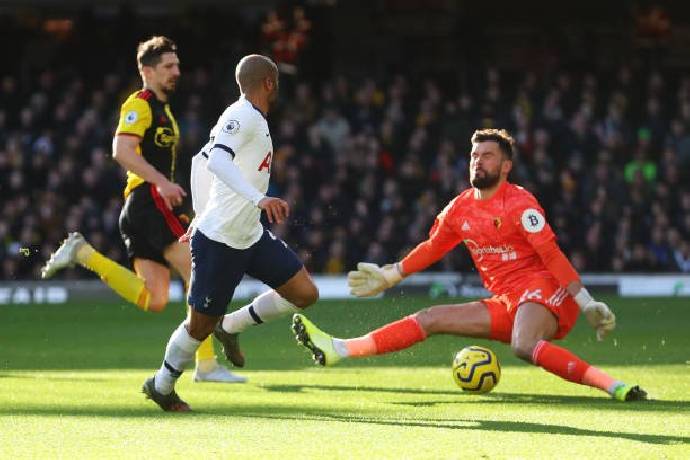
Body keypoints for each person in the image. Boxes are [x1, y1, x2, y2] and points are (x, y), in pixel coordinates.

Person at [293, 128, 647, 402]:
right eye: (475, 155)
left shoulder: (521, 205)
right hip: (508, 300)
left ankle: (613, 385)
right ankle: (338, 348)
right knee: (430, 318)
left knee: (523, 345)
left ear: (505, 166)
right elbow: (433, 247)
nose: (478, 161)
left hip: (544, 290)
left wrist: (586, 303)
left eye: (488, 156)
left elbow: (553, 256)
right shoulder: (459, 208)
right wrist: (391, 275)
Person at [40, 36, 244, 384]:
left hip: (141, 206)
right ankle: (206, 364)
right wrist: (161, 182)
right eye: (168, 66)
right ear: (146, 70)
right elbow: (121, 150)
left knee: (155, 299)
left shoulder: (162, 108)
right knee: (198, 268)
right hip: (149, 200)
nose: (176, 71)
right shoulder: (141, 103)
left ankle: (85, 253)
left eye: (177, 65)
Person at [142, 54, 320, 412]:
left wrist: (199, 210)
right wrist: (258, 198)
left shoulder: (251, 118)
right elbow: (215, 160)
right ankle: (161, 385)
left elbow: (201, 160)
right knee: (198, 327)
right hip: (220, 239)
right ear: (269, 83)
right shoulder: (243, 116)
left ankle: (232, 326)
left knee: (304, 292)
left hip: (250, 235)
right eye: (277, 81)